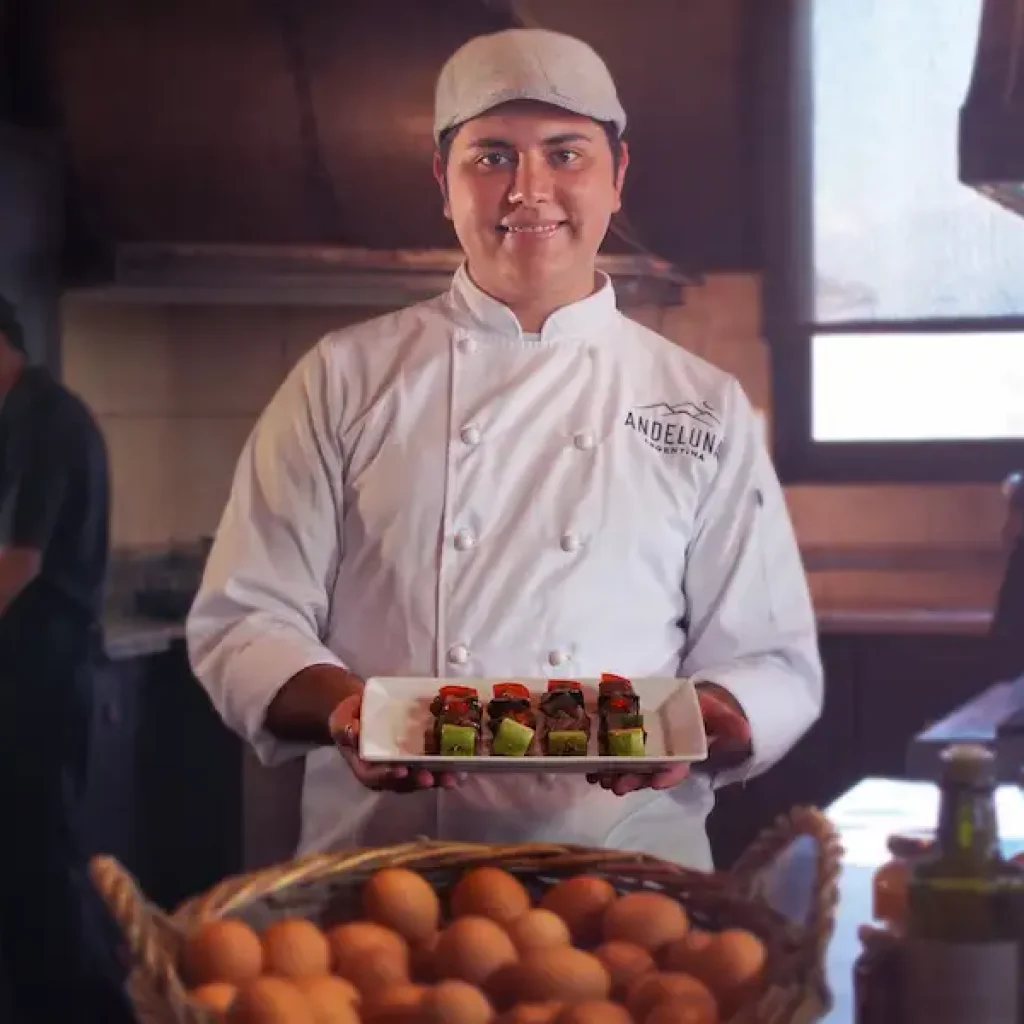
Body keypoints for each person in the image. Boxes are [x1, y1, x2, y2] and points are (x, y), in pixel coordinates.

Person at [188, 28, 823, 869]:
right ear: (442, 185)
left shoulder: (703, 404)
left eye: (566, 154)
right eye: (492, 158)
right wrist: (352, 712)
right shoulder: (343, 379)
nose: (530, 190)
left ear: (617, 176)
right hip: (387, 875)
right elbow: (245, 618)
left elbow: (770, 657)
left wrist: (707, 719)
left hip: (626, 878)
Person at [0, 295, 134, 1022]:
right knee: (27, 864)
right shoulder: (21, 414)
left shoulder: (44, 420)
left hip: (45, 680)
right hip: (24, 678)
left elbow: (16, 562)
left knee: (46, 864)